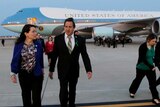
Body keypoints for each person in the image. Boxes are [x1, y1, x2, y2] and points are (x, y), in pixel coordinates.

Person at [49, 18, 92, 107]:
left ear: (74, 28)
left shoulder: (80, 40)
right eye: (66, 27)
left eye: (70, 27)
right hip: (62, 70)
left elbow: (84, 55)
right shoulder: (58, 39)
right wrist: (51, 70)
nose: (68, 29)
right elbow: (54, 55)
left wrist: (88, 69)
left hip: (74, 70)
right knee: (63, 91)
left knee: (72, 91)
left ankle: (72, 104)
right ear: (64, 27)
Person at [10, 24, 44, 107]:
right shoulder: (19, 45)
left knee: (36, 99)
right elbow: (15, 58)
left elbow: (40, 59)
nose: (36, 33)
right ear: (26, 33)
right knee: (26, 98)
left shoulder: (38, 44)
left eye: (36, 31)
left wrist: (42, 70)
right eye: (33, 31)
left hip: (36, 75)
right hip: (24, 75)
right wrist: (13, 73)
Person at [129, 34, 160, 105]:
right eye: (153, 41)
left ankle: (155, 98)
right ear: (148, 40)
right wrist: (151, 66)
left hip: (151, 69)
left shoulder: (153, 46)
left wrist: (156, 64)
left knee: (153, 83)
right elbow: (143, 59)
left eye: (155, 41)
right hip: (141, 68)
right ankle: (132, 91)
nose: (155, 43)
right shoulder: (142, 46)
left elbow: (154, 57)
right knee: (138, 80)